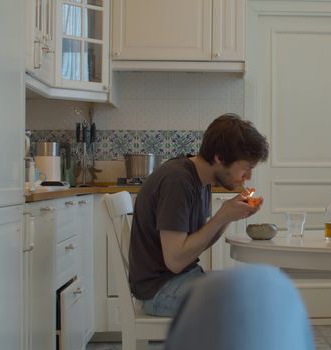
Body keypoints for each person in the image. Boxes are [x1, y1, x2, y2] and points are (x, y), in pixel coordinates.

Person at [129, 113, 269, 317]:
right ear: (220, 157)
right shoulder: (177, 181)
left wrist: (230, 215)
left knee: (257, 294)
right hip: (159, 290)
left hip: (182, 279)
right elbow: (176, 260)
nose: (248, 177)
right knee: (245, 307)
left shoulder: (201, 182)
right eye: (246, 168)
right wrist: (222, 216)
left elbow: (194, 245)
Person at [164, 264, 316, 350]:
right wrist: (223, 217)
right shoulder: (177, 206)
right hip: (162, 286)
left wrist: (227, 218)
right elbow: (175, 260)